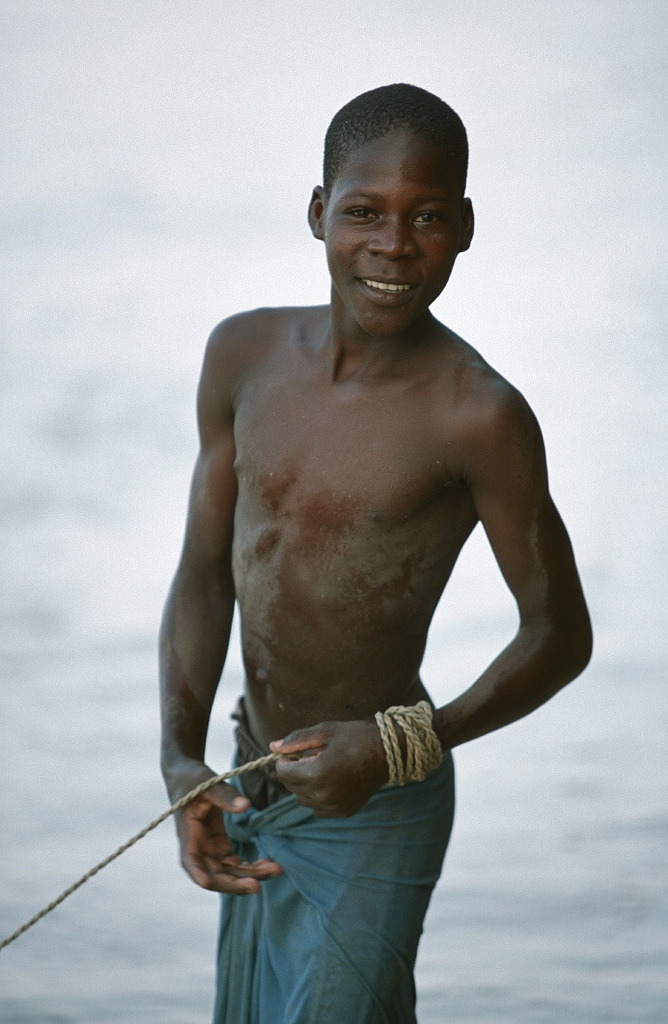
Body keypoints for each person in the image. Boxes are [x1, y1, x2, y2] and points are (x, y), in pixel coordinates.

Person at [159, 83, 592, 1024]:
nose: (394, 247)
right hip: (253, 776)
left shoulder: (478, 415)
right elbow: (204, 573)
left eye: (428, 217)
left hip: (380, 798)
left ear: (466, 227)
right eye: (363, 213)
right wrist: (180, 757)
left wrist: (405, 745)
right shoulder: (243, 355)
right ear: (318, 213)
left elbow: (561, 635)